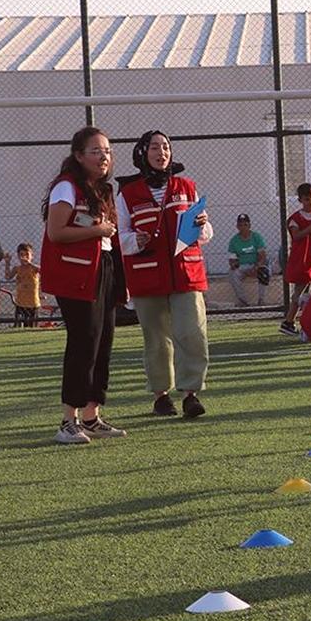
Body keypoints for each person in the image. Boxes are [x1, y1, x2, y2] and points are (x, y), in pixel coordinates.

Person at [115, 130, 213, 419]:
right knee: (156, 339)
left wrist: (203, 225)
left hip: (186, 273)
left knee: (192, 332)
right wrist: (136, 241)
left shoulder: (186, 186)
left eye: (166, 147)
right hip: (147, 276)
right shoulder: (127, 194)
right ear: (142, 153)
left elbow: (206, 234)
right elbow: (120, 234)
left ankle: (191, 394)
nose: (162, 152)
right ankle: (161, 396)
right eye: (155, 147)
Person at [39, 126, 126, 444]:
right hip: (76, 274)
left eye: (108, 151)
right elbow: (56, 232)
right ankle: (67, 421)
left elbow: (106, 233)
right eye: (96, 151)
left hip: (102, 268)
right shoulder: (67, 186)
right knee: (83, 343)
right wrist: (98, 230)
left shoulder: (101, 189)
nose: (104, 157)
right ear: (78, 155)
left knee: (103, 340)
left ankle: (92, 416)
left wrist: (106, 232)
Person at [280, 183, 311, 335]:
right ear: (300, 200)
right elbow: (297, 235)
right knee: (299, 293)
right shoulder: (295, 219)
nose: (310, 202)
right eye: (306, 199)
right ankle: (288, 322)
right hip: (304, 261)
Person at [227, 213, 268, 307]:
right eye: (240, 225)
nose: (243, 227)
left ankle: (261, 300)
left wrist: (256, 267)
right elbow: (232, 259)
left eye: (245, 224)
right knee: (232, 274)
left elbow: (263, 255)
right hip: (242, 265)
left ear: (249, 225)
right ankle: (243, 301)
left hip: (256, 264)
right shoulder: (234, 240)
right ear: (237, 227)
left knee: (264, 272)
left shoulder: (256, 237)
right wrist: (234, 265)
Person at [3, 242, 40, 327]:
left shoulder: (34, 268)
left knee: (32, 325)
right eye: (21, 255)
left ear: (32, 256)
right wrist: (7, 263)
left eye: (27, 254)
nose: (24, 257)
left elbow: (43, 271)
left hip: (33, 303)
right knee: (19, 324)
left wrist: (29, 263)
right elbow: (8, 277)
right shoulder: (17, 268)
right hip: (20, 302)